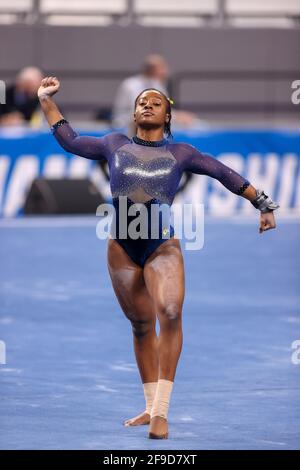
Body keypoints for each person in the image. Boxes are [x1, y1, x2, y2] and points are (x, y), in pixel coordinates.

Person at [38, 76, 279, 439]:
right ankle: (149, 406)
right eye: (141, 102)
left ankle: (161, 414)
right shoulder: (113, 144)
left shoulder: (181, 154)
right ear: (134, 114)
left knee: (169, 311)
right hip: (120, 247)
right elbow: (69, 140)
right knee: (140, 325)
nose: (146, 105)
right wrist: (45, 100)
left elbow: (224, 174)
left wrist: (261, 202)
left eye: (155, 102)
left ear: (168, 115)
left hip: (161, 245)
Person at [111, 54, 197, 135]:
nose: (165, 71)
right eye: (162, 68)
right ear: (152, 69)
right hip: (128, 124)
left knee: (196, 125)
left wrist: (178, 116)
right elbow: (139, 111)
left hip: (152, 120)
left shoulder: (157, 85)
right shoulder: (130, 85)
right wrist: (175, 117)